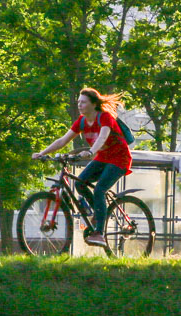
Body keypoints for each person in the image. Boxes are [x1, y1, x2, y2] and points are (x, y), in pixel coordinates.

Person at [33, 87, 132, 247]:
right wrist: (42, 153)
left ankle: (99, 233)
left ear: (93, 104)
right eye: (78, 102)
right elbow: (62, 140)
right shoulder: (82, 121)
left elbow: (103, 136)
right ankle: (99, 213)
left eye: (83, 102)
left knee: (100, 189)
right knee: (79, 183)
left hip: (119, 158)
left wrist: (91, 151)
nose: (79, 105)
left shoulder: (105, 117)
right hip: (103, 157)